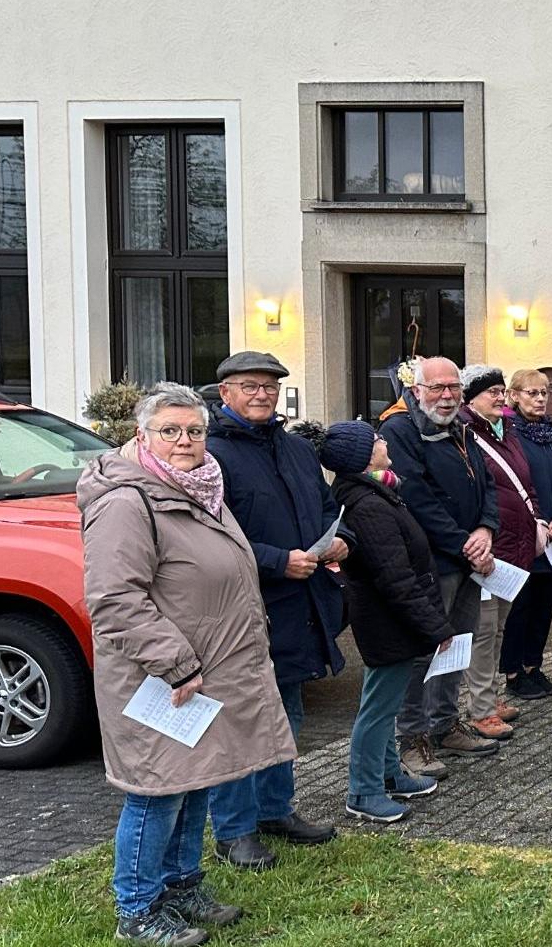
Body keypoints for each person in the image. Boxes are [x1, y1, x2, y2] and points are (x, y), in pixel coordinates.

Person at [79, 383, 295, 946]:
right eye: (169, 431)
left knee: (197, 780)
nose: (184, 441)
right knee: (156, 793)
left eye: (194, 431)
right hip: (159, 679)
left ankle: (181, 887)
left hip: (204, 674)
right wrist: (173, 663)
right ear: (142, 435)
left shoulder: (200, 489)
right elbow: (115, 598)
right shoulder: (127, 501)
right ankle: (138, 909)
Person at [199, 351, 344, 869]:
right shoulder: (210, 456)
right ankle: (233, 831)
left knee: (288, 709)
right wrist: (278, 561)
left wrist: (339, 540)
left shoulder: (298, 450)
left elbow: (328, 509)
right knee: (240, 722)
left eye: (269, 386)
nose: (262, 394)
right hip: (242, 609)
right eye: (249, 386)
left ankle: (274, 809)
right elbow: (212, 535)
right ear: (225, 394)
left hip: (300, 604)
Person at [315, 421, 446, 825]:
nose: (384, 441)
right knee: (377, 708)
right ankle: (364, 790)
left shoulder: (377, 491)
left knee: (384, 704)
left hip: (392, 620)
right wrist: (435, 627)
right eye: (375, 440)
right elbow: (395, 576)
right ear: (360, 458)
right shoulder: (367, 504)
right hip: (386, 621)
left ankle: (389, 773)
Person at [378, 356, 501, 774]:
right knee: (426, 650)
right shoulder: (399, 430)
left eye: (453, 388)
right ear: (417, 391)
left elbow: (486, 484)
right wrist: (465, 543)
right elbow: (417, 498)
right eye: (437, 388)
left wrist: (486, 529)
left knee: (460, 643)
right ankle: (411, 738)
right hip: (433, 562)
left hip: (468, 559)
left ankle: (445, 724)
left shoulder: (461, 429)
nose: (447, 396)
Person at [457, 366, 537, 739]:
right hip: (489, 549)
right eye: (492, 392)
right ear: (471, 397)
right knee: (484, 632)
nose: (501, 398)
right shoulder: (465, 434)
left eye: (503, 391)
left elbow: (524, 481)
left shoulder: (506, 432)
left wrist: (535, 518)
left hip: (513, 546)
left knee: (500, 627)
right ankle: (481, 709)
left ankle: (493, 697)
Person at [503, 368, 552, 700]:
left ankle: (534, 665)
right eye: (531, 393)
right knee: (519, 608)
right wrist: (538, 522)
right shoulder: (508, 435)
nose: (539, 399)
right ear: (514, 395)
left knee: (543, 605)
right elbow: (510, 487)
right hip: (526, 536)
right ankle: (512, 671)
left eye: (544, 393)